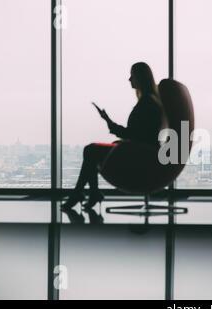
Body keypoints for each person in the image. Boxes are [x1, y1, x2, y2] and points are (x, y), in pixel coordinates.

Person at [61, 62, 163, 210]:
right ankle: (88, 193)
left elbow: (133, 134)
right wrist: (109, 121)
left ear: (140, 78)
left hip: (139, 154)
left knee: (90, 150)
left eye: (132, 76)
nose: (129, 80)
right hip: (142, 151)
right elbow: (138, 134)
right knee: (91, 150)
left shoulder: (146, 103)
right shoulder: (150, 101)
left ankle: (83, 193)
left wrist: (109, 122)